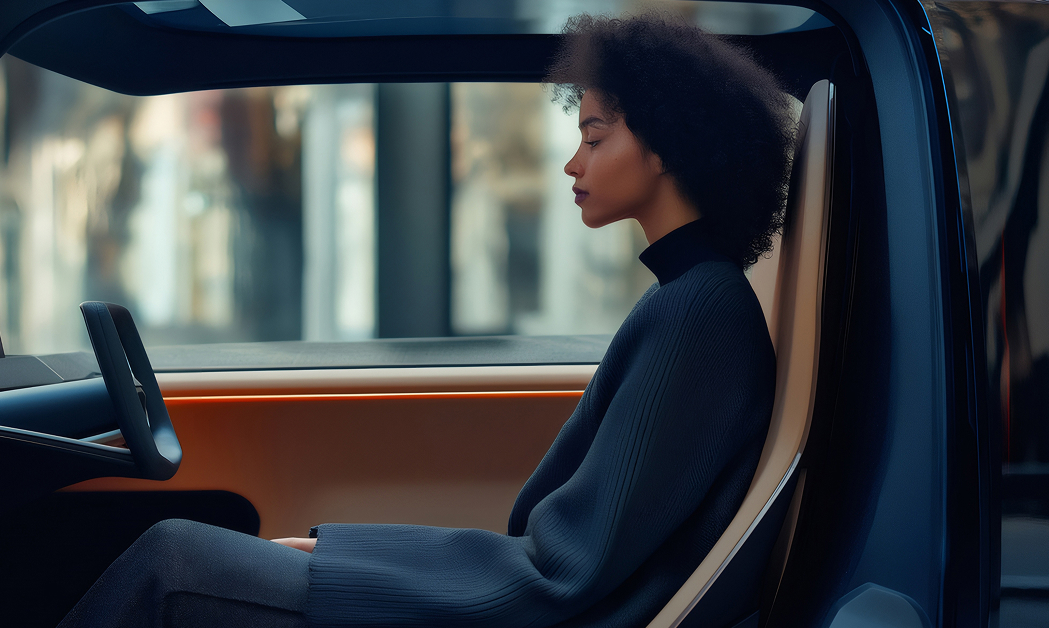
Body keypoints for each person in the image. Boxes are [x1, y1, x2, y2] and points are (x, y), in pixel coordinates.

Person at [58, 11, 794, 628]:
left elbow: (563, 574)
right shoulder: (693, 301)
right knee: (181, 551)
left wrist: (346, 566)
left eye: (595, 137)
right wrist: (337, 553)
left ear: (667, 144)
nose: (574, 163)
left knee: (173, 560)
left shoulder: (698, 313)